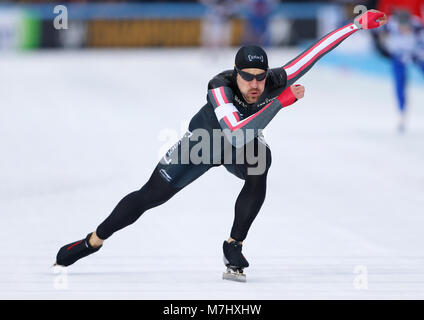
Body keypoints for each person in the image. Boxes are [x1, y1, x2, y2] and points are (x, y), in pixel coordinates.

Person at [55, 9, 387, 281]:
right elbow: (236, 131)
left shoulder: (274, 80)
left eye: (261, 77)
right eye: (248, 77)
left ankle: (234, 244)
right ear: (236, 73)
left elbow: (315, 52)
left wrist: (356, 24)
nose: (256, 85)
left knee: (261, 159)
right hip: (202, 144)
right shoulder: (219, 87)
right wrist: (279, 104)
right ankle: (93, 240)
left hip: (239, 145)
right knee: (148, 198)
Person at [373, 9, 424, 132]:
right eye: (402, 26)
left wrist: (416, 54)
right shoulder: (390, 24)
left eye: (406, 27)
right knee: (399, 84)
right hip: (398, 55)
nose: (403, 29)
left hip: (415, 54)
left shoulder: (417, 25)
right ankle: (402, 114)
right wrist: (383, 48)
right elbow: (377, 31)